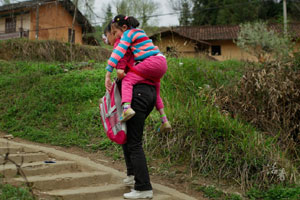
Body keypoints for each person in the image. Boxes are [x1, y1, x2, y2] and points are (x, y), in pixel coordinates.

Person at [104, 21, 156, 199]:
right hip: (149, 93)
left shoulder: (122, 43)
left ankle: (143, 188)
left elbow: (119, 57)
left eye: (111, 33)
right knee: (129, 139)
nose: (111, 38)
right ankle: (133, 176)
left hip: (138, 94)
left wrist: (108, 72)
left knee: (133, 142)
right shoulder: (137, 48)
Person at [105, 14, 171, 133]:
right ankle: (164, 120)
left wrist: (108, 72)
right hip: (161, 61)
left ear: (124, 27)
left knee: (128, 80)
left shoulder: (127, 34)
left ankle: (126, 108)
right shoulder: (140, 32)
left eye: (115, 32)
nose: (116, 36)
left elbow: (120, 51)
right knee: (156, 91)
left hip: (151, 62)